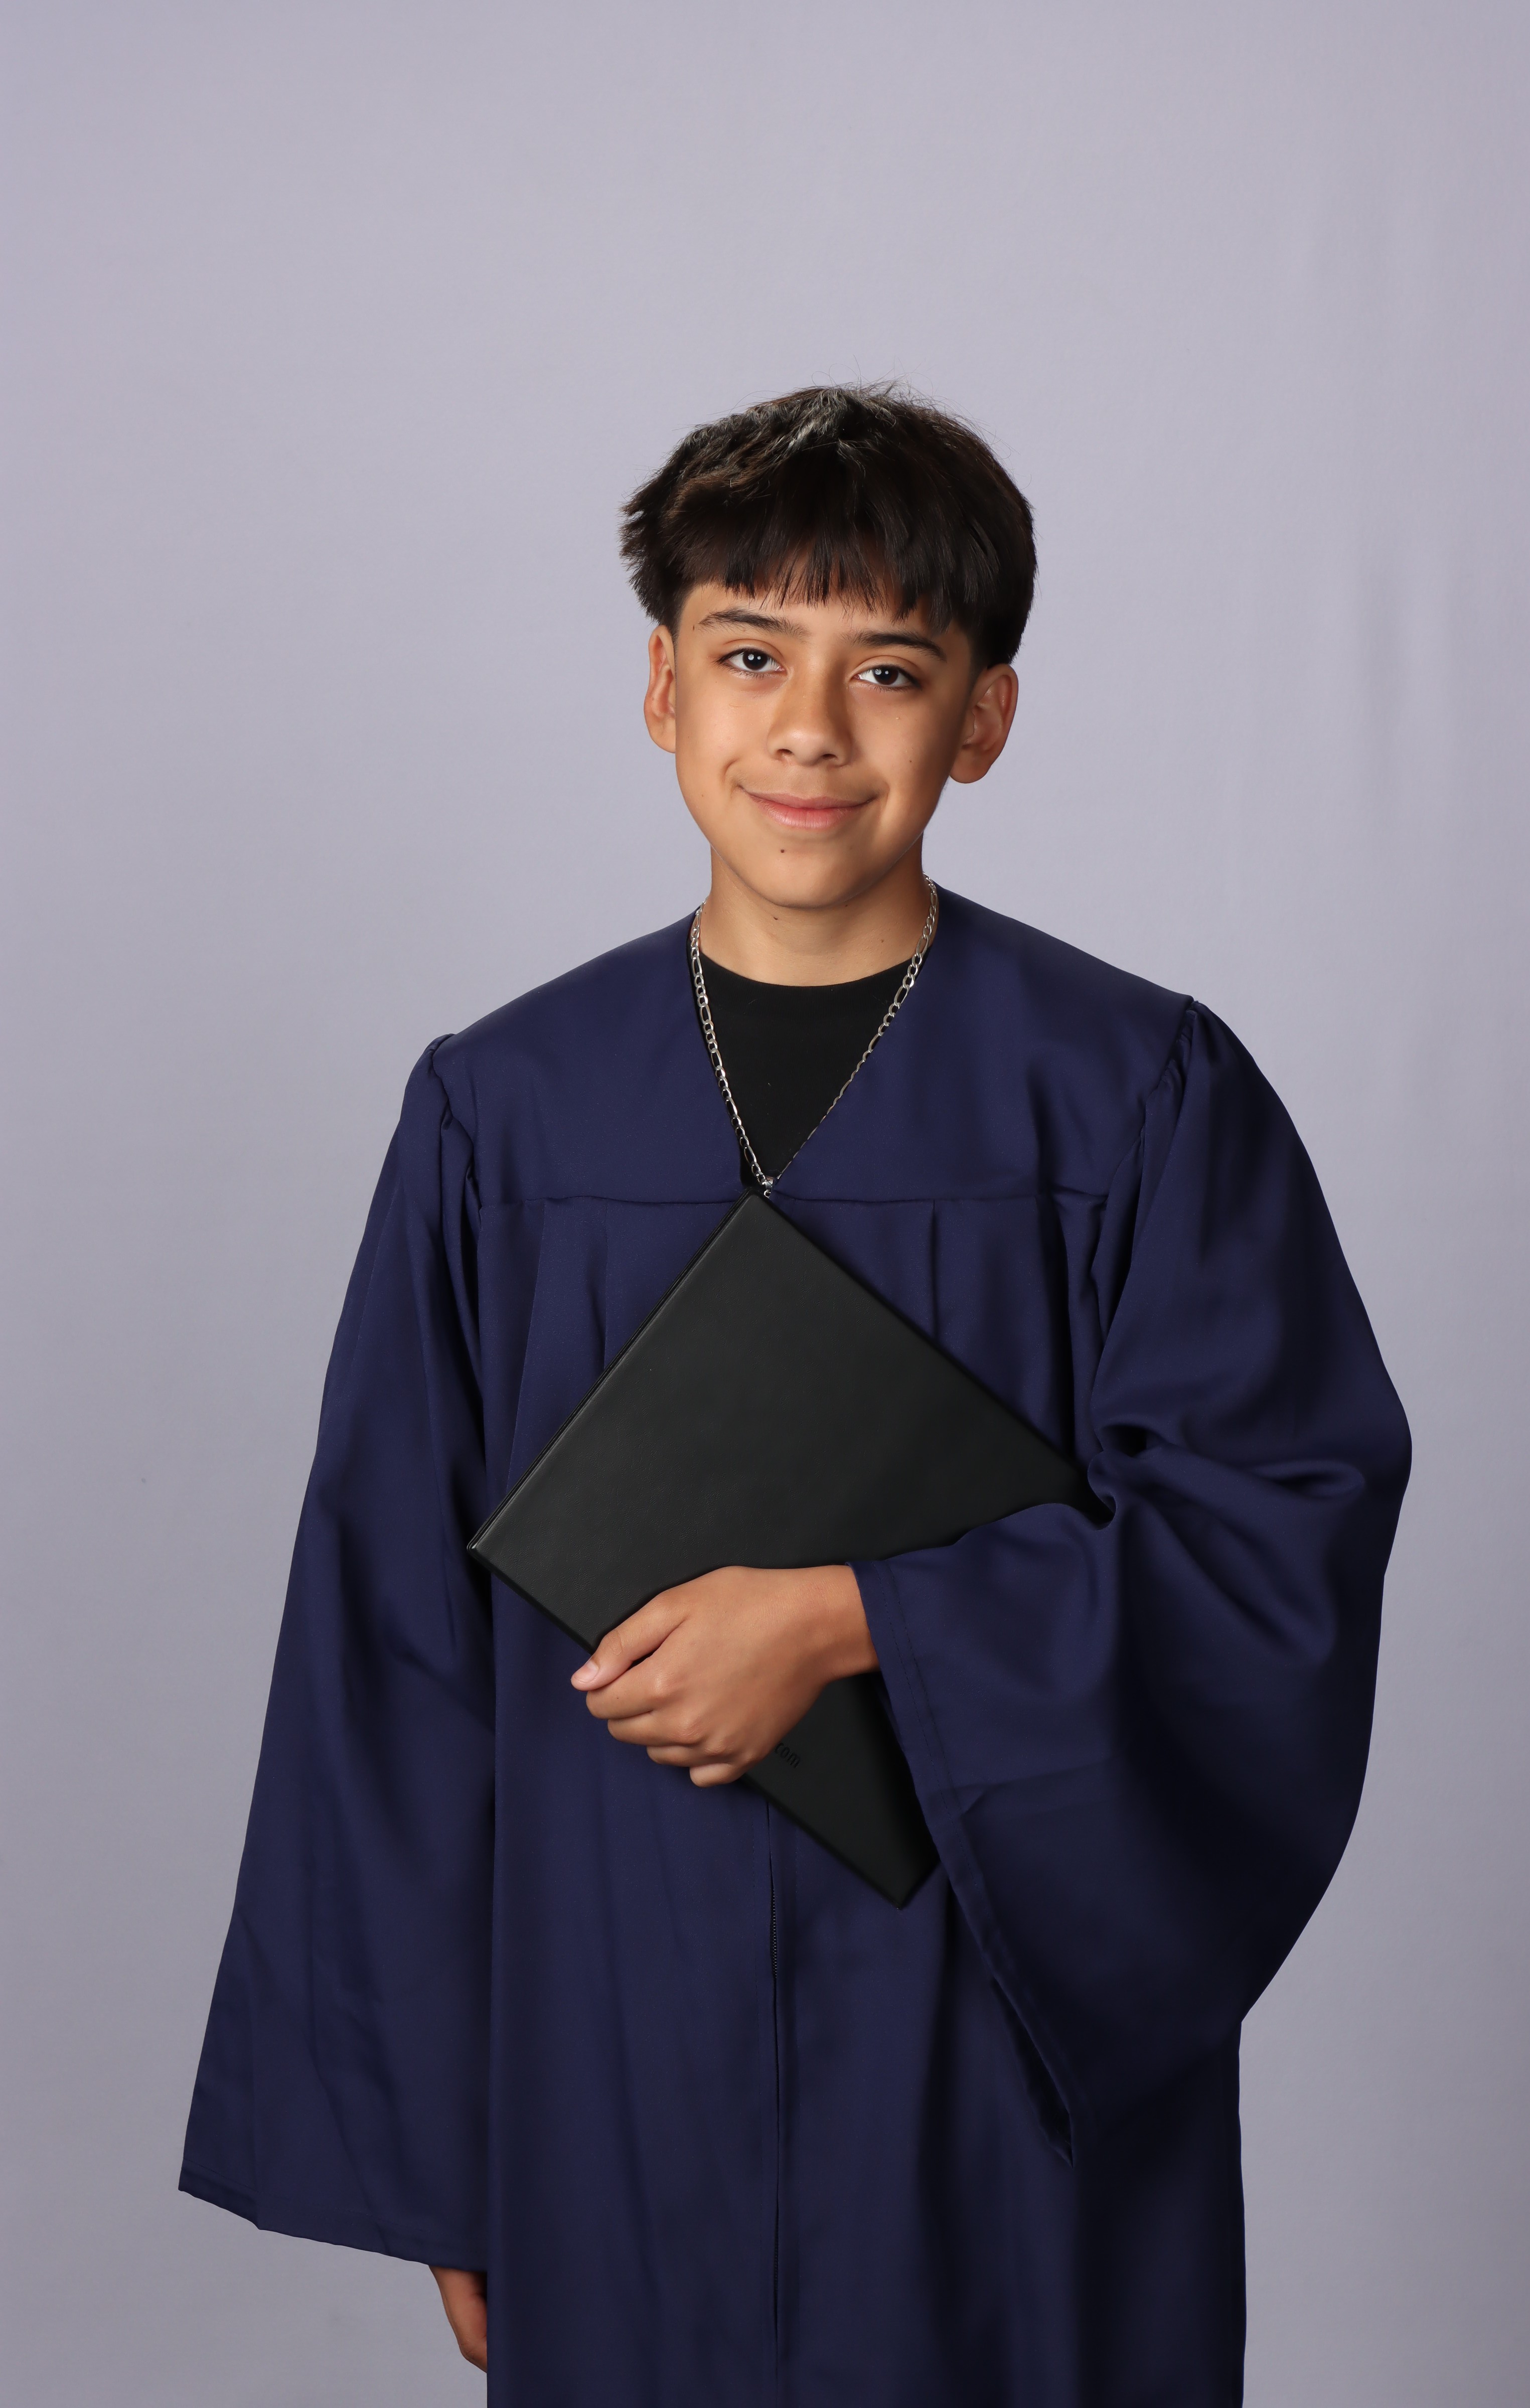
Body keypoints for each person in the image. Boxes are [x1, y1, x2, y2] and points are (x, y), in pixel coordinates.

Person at [180, 385, 1410, 2407]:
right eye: (751, 656)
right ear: (662, 688)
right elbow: (385, 1645)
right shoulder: (504, 1115)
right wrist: (440, 2149)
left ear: (982, 719)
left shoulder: (1132, 1096)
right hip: (608, 2038)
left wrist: (862, 1619)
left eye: (890, 672)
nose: (811, 729)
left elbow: (1270, 1545)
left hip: (990, 2040)